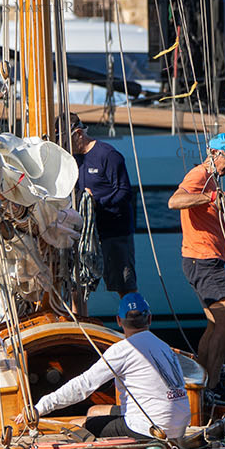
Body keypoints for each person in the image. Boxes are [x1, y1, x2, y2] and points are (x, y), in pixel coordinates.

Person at [14, 292, 190, 441]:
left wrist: (40, 407)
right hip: (179, 425)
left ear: (119, 321)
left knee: (76, 425)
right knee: (94, 410)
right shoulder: (165, 347)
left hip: (150, 429)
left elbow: (83, 385)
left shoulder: (123, 349)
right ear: (149, 319)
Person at [167, 133, 225, 411]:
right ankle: (213, 385)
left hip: (204, 258)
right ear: (213, 153)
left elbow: (206, 215)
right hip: (203, 261)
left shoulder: (212, 180)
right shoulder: (199, 175)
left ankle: (200, 386)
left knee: (215, 324)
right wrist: (210, 196)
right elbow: (175, 202)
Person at [70, 113, 137, 305]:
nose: (64, 145)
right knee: (77, 285)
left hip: (113, 232)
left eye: (66, 139)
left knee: (124, 285)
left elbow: (124, 192)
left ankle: (135, 325)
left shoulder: (108, 155)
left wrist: (94, 201)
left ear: (79, 134)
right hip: (84, 235)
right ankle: (79, 328)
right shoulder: (71, 160)